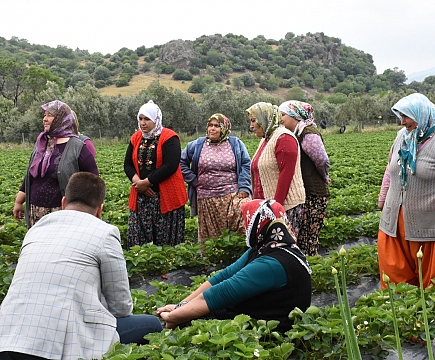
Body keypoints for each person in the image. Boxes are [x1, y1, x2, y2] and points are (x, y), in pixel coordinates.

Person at [0, 172, 163, 360]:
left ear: (64, 203)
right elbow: (120, 307)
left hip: (4, 342)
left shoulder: (36, 229)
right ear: (99, 210)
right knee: (152, 325)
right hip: (56, 349)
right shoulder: (104, 233)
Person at [156, 199, 312, 333]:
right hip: (260, 311)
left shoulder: (272, 264)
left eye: (248, 222)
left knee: (192, 321)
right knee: (192, 313)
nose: (245, 228)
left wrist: (172, 317)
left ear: (259, 225)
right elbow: (224, 276)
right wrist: (181, 305)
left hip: (270, 327)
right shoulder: (267, 247)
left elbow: (221, 294)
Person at [377, 93, 435, 289]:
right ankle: (404, 317)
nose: (402, 122)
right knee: (395, 276)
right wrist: (383, 197)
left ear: (421, 115)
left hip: (433, 224)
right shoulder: (403, 137)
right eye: (400, 116)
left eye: (406, 116)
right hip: (396, 221)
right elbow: (391, 168)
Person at [13, 100, 99, 228]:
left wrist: (93, 208)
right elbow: (31, 175)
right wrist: (19, 202)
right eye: (44, 115)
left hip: (64, 213)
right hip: (35, 212)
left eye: (49, 115)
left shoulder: (77, 147)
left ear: (61, 118)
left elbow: (93, 180)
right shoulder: (41, 144)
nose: (45, 119)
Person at [180, 113, 252, 242]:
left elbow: (246, 164)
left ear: (224, 128)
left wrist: (244, 187)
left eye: (217, 126)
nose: (212, 129)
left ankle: (240, 256)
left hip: (232, 195)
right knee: (212, 239)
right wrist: (193, 180)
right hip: (207, 198)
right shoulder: (197, 145)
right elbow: (181, 161)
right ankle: (213, 261)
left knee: (243, 224)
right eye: (210, 125)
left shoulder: (235, 144)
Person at [124, 100, 187, 247]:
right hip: (141, 196)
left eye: (147, 119)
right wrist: (138, 182)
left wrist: (147, 182)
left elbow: (171, 165)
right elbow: (127, 164)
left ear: (156, 119)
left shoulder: (170, 137)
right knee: (139, 241)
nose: (143, 123)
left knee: (165, 243)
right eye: (140, 119)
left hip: (165, 197)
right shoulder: (136, 138)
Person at [279, 101, 330, 256]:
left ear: (295, 116)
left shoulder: (309, 134)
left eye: (283, 115)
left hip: (314, 193)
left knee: (308, 238)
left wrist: (324, 176)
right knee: (302, 238)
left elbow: (322, 160)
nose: (281, 119)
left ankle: (310, 269)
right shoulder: (297, 133)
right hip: (305, 192)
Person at [246, 102, 305, 236]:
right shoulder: (267, 138)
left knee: (281, 249)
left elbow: (286, 176)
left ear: (264, 118)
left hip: (285, 207)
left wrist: (275, 208)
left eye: (254, 121)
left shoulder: (284, 139)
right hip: (267, 206)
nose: (251, 126)